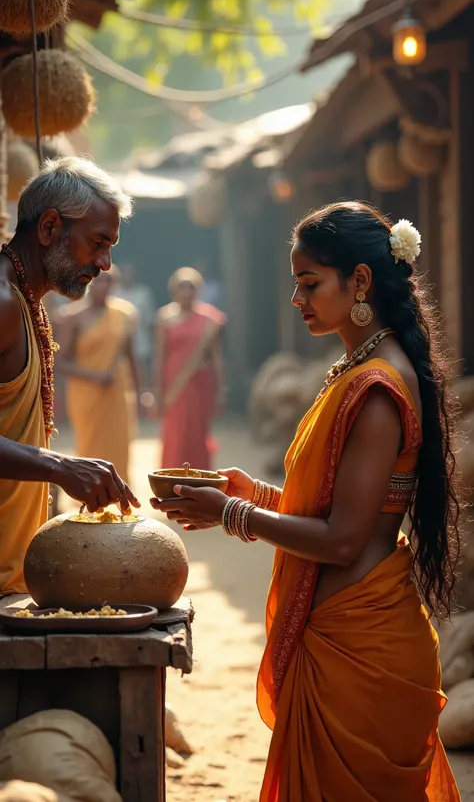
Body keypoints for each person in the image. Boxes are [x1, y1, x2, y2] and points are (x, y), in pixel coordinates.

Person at [152, 202, 461, 801]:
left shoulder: (375, 388)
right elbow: (341, 507)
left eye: (310, 283)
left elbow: (345, 540)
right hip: (346, 638)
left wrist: (229, 515)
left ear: (361, 281)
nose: (297, 298)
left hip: (361, 651)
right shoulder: (357, 367)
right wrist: (255, 493)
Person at [0, 156, 140, 595]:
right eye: (98, 243)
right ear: (49, 228)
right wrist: (59, 467)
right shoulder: (2, 301)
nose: (105, 263)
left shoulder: (29, 300)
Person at [58, 266, 140, 482]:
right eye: (100, 281)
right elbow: (60, 362)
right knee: (89, 446)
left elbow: (131, 357)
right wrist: (94, 377)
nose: (104, 286)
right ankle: (90, 497)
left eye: (109, 282)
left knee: (120, 445)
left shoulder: (124, 314)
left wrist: (142, 392)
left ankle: (120, 496)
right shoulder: (72, 316)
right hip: (86, 392)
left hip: (117, 389)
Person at [155, 267, 227, 470]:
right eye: (182, 286)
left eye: (191, 286)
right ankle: (172, 476)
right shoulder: (164, 317)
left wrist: (221, 390)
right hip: (173, 382)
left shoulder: (210, 319)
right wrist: (157, 390)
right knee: (175, 430)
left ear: (199, 290)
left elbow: (216, 357)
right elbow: (160, 356)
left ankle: (199, 478)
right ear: (173, 290)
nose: (186, 291)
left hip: (200, 382)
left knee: (197, 430)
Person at [115, 263, 155, 393]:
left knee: (142, 375)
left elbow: (150, 321)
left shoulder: (143, 293)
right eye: (125, 272)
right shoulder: (114, 293)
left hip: (141, 342)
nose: (128, 275)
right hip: (119, 345)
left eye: (130, 272)